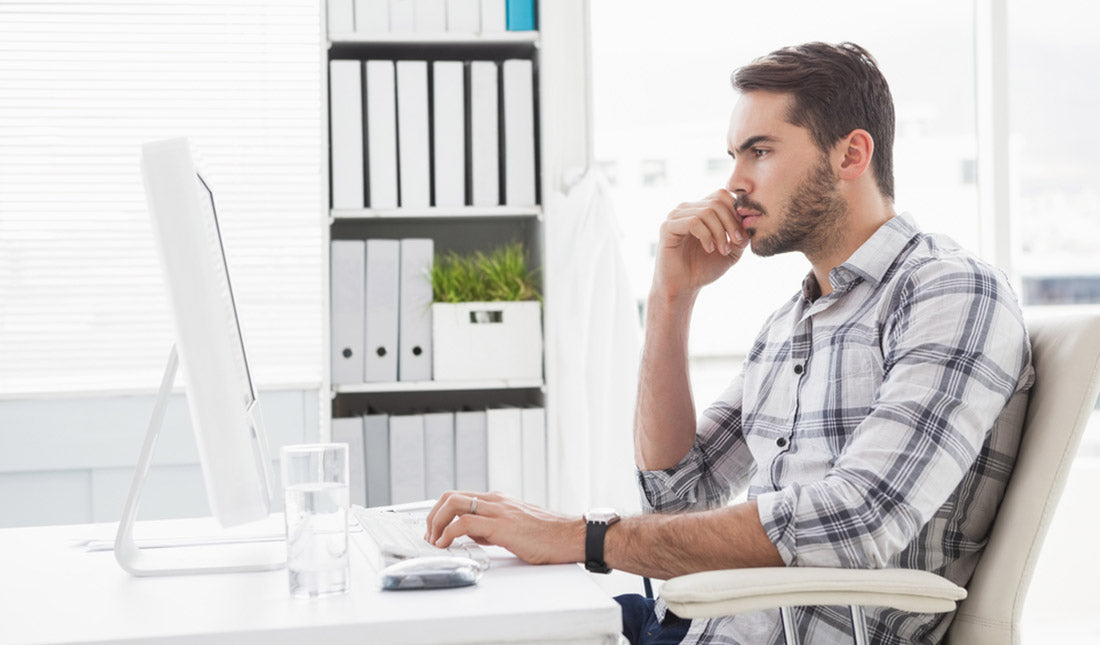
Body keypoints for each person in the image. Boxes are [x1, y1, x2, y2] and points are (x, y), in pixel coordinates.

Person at [425, 41, 1034, 644]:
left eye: (760, 152)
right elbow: (675, 494)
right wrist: (671, 296)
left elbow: (857, 521)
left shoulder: (950, 292)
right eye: (734, 156)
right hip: (695, 626)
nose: (735, 184)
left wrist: (580, 537)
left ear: (851, 155)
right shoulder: (792, 324)